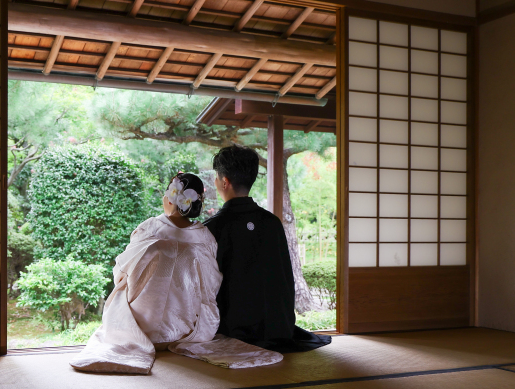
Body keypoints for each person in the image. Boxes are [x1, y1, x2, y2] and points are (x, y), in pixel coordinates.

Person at [70, 173, 223, 374]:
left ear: (171, 198)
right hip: (187, 329)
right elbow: (211, 285)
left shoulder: (151, 227)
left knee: (124, 287)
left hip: (142, 326)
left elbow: (123, 270)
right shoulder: (205, 237)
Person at [204, 144, 331, 352]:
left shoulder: (212, 227)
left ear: (224, 182)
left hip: (232, 330)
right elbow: (284, 280)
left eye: (217, 178)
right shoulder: (272, 222)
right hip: (276, 328)